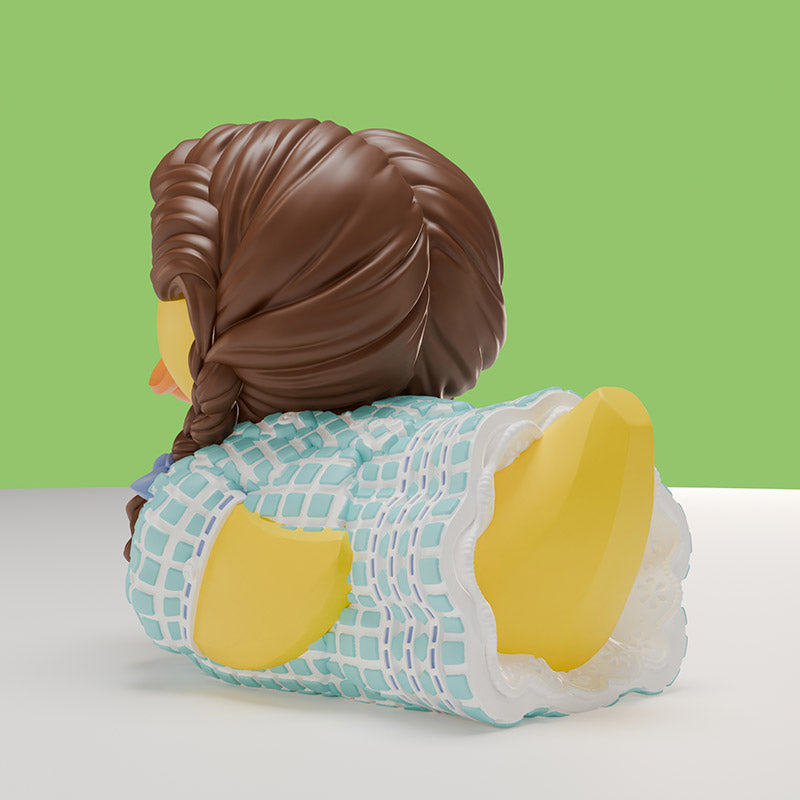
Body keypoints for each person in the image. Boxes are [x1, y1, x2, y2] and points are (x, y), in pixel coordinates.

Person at [125, 119, 691, 725]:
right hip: (361, 556)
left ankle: (506, 554)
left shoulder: (378, 435)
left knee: (452, 471)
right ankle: (503, 571)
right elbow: (216, 589)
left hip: (430, 503)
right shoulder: (228, 473)